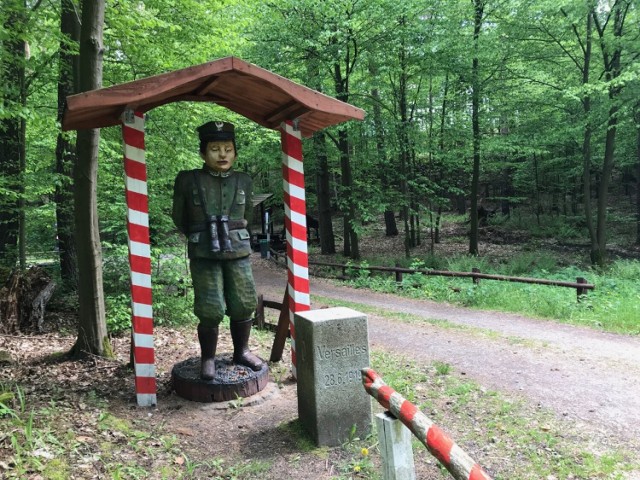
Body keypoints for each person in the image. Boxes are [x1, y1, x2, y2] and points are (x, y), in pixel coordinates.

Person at [172, 121, 263, 380]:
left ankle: (242, 351)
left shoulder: (244, 180)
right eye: (214, 149)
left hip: (238, 249)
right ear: (203, 153)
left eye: (227, 148)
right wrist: (200, 234)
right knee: (210, 306)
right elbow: (179, 217)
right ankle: (208, 358)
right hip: (204, 252)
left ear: (235, 153)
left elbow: (248, 216)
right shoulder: (188, 180)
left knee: (244, 302)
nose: (222, 154)